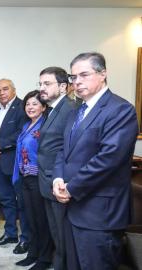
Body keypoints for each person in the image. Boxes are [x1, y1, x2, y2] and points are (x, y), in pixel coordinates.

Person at [52, 52, 138, 270]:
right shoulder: (76, 112)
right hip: (72, 208)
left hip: (100, 213)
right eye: (73, 77)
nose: (77, 81)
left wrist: (72, 188)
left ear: (103, 74)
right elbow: (63, 150)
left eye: (84, 75)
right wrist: (58, 178)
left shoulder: (120, 109)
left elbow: (108, 160)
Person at [37, 66, 77, 270]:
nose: (41, 88)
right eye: (40, 84)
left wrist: (60, 179)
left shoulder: (70, 108)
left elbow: (69, 149)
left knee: (63, 236)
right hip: (47, 181)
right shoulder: (54, 109)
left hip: (58, 182)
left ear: (62, 87)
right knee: (56, 234)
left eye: (47, 83)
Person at [0, 78, 29, 254]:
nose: (1, 93)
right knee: (6, 200)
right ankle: (10, 233)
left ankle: (26, 238)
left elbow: (21, 132)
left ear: (13, 89)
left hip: (15, 163)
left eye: (5, 89)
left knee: (21, 203)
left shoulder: (21, 107)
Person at [12, 90, 53, 270]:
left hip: (39, 179)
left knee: (42, 220)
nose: (30, 107)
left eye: (35, 104)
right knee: (30, 219)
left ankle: (45, 258)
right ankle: (33, 253)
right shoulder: (26, 125)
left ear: (44, 107)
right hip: (25, 179)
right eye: (28, 104)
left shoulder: (45, 127)